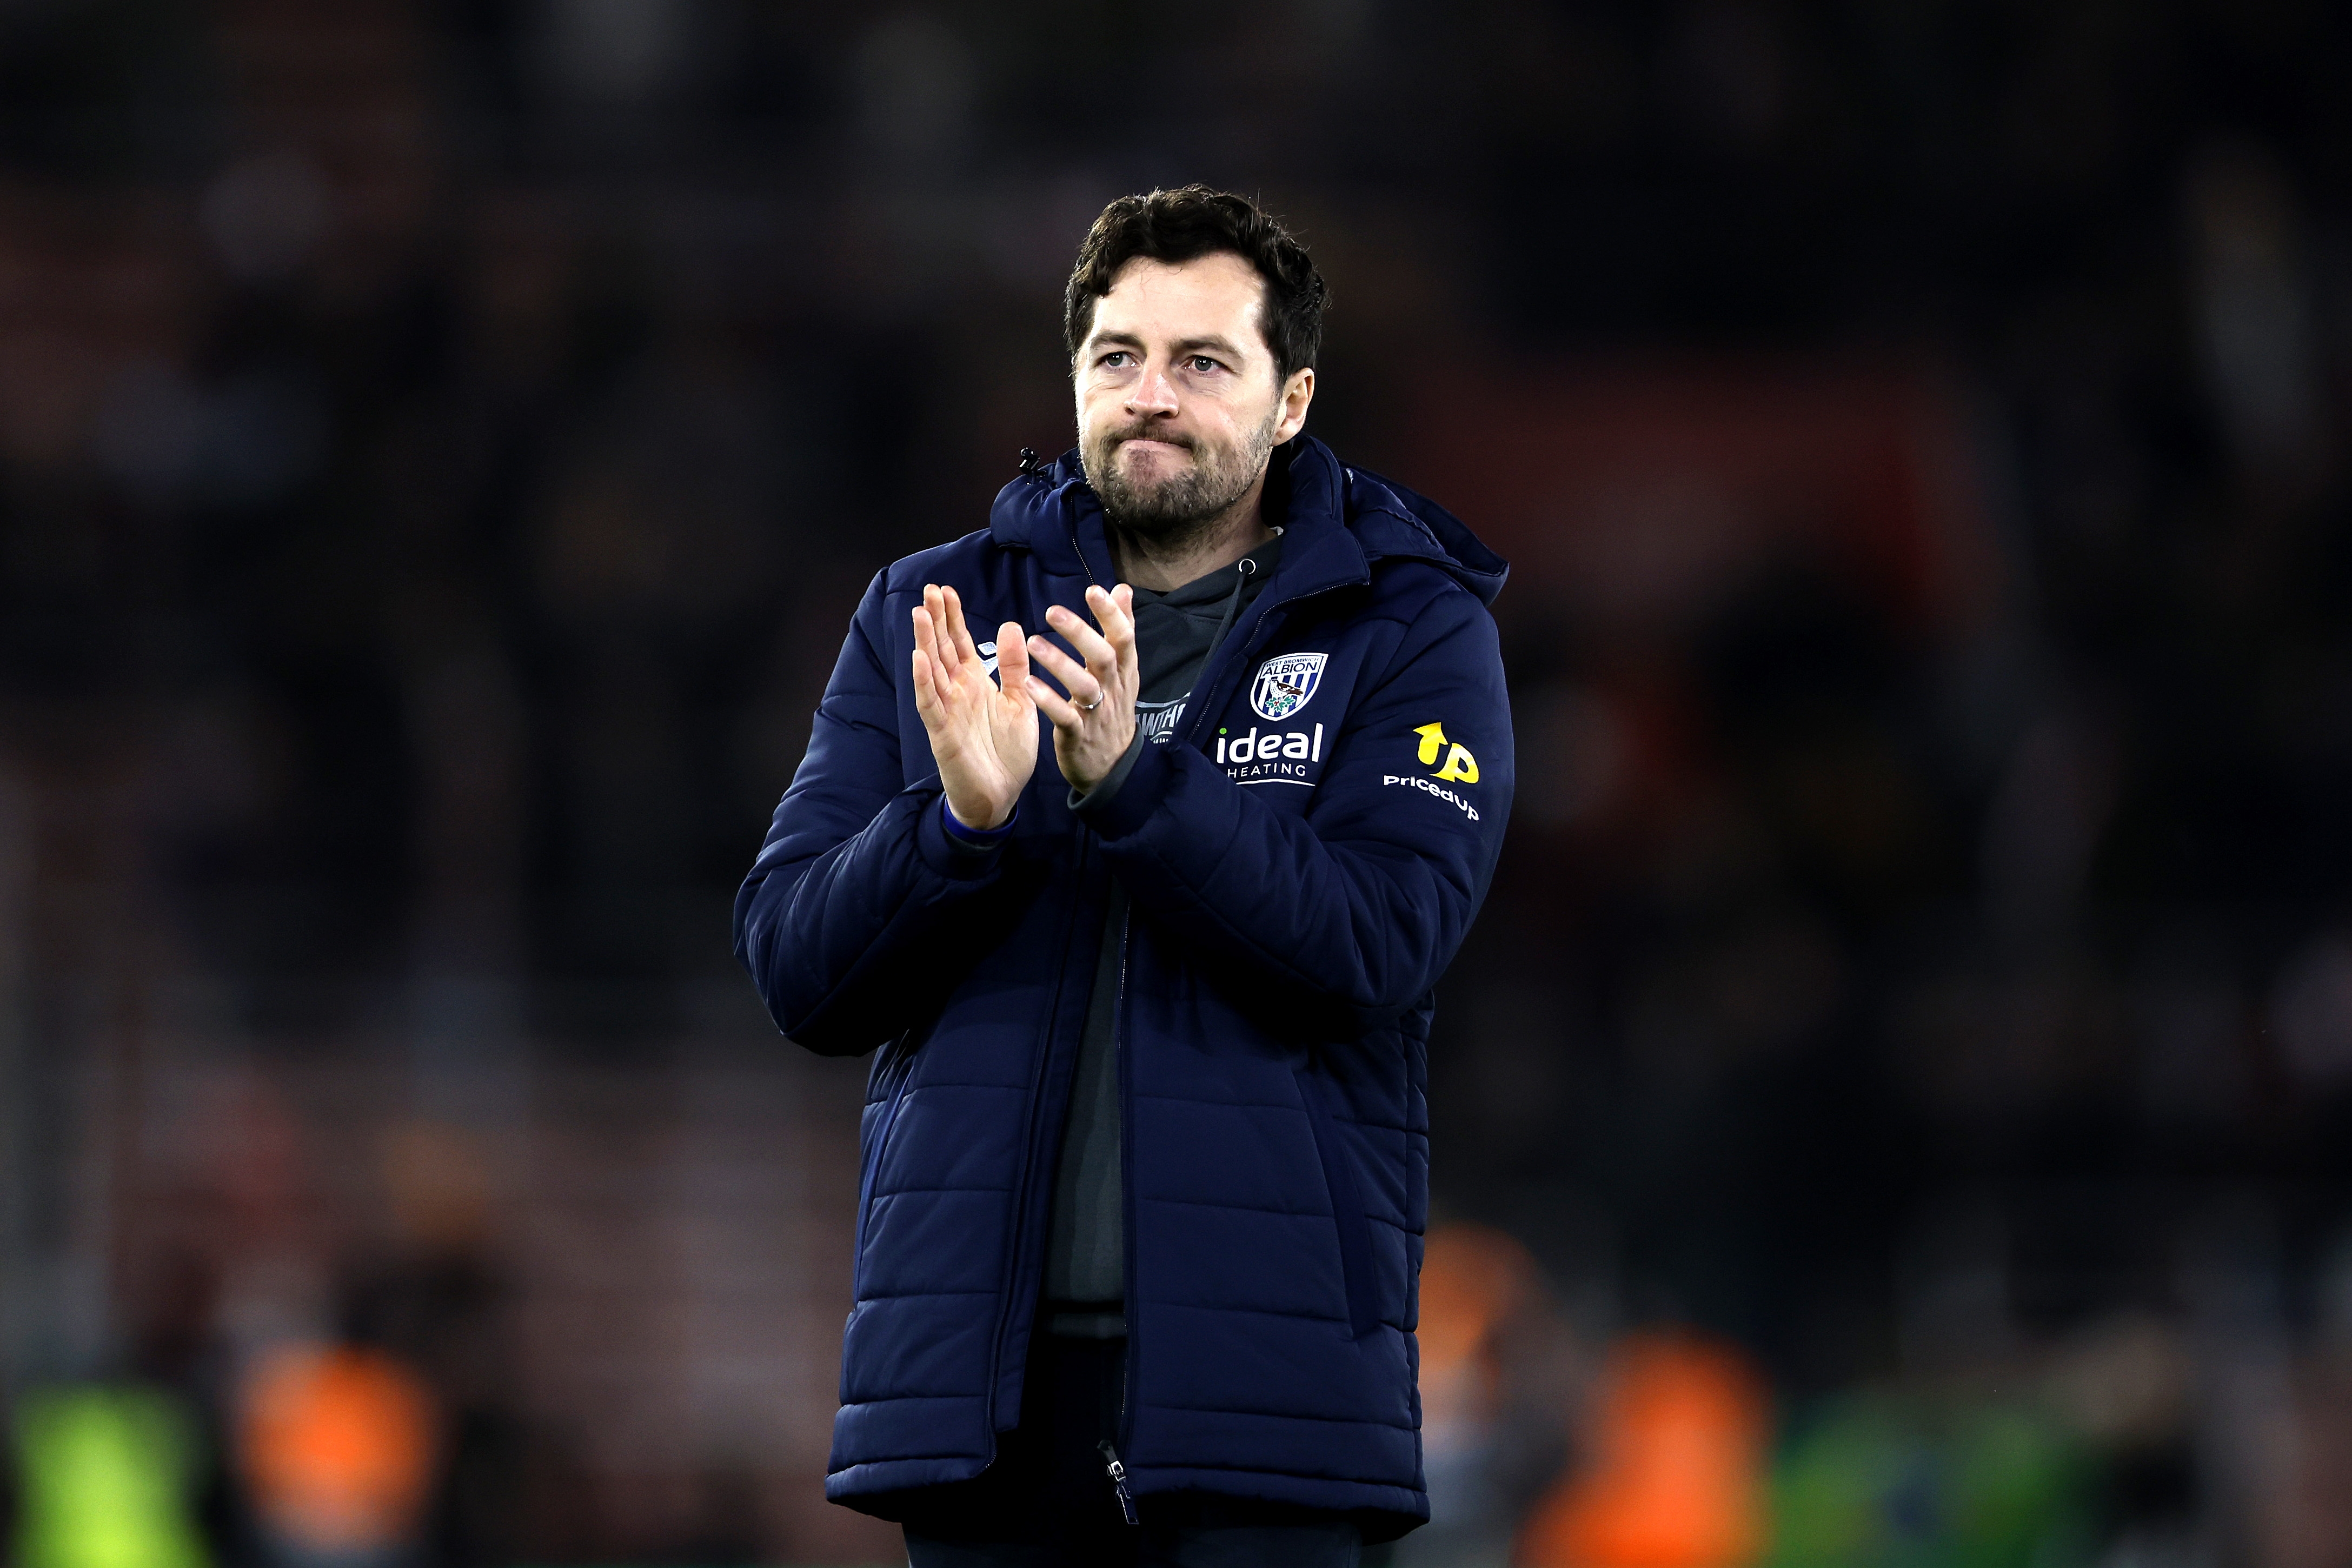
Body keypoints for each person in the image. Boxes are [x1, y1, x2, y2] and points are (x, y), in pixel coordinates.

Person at [735, 185, 1512, 1567]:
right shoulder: (937, 611)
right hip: (982, 1409)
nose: (1152, 396)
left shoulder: (1411, 627)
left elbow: (1382, 942)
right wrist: (962, 829)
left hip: (1265, 1411)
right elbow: (797, 967)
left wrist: (1133, 787)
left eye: (1204, 362)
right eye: (1118, 357)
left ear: (1291, 402)